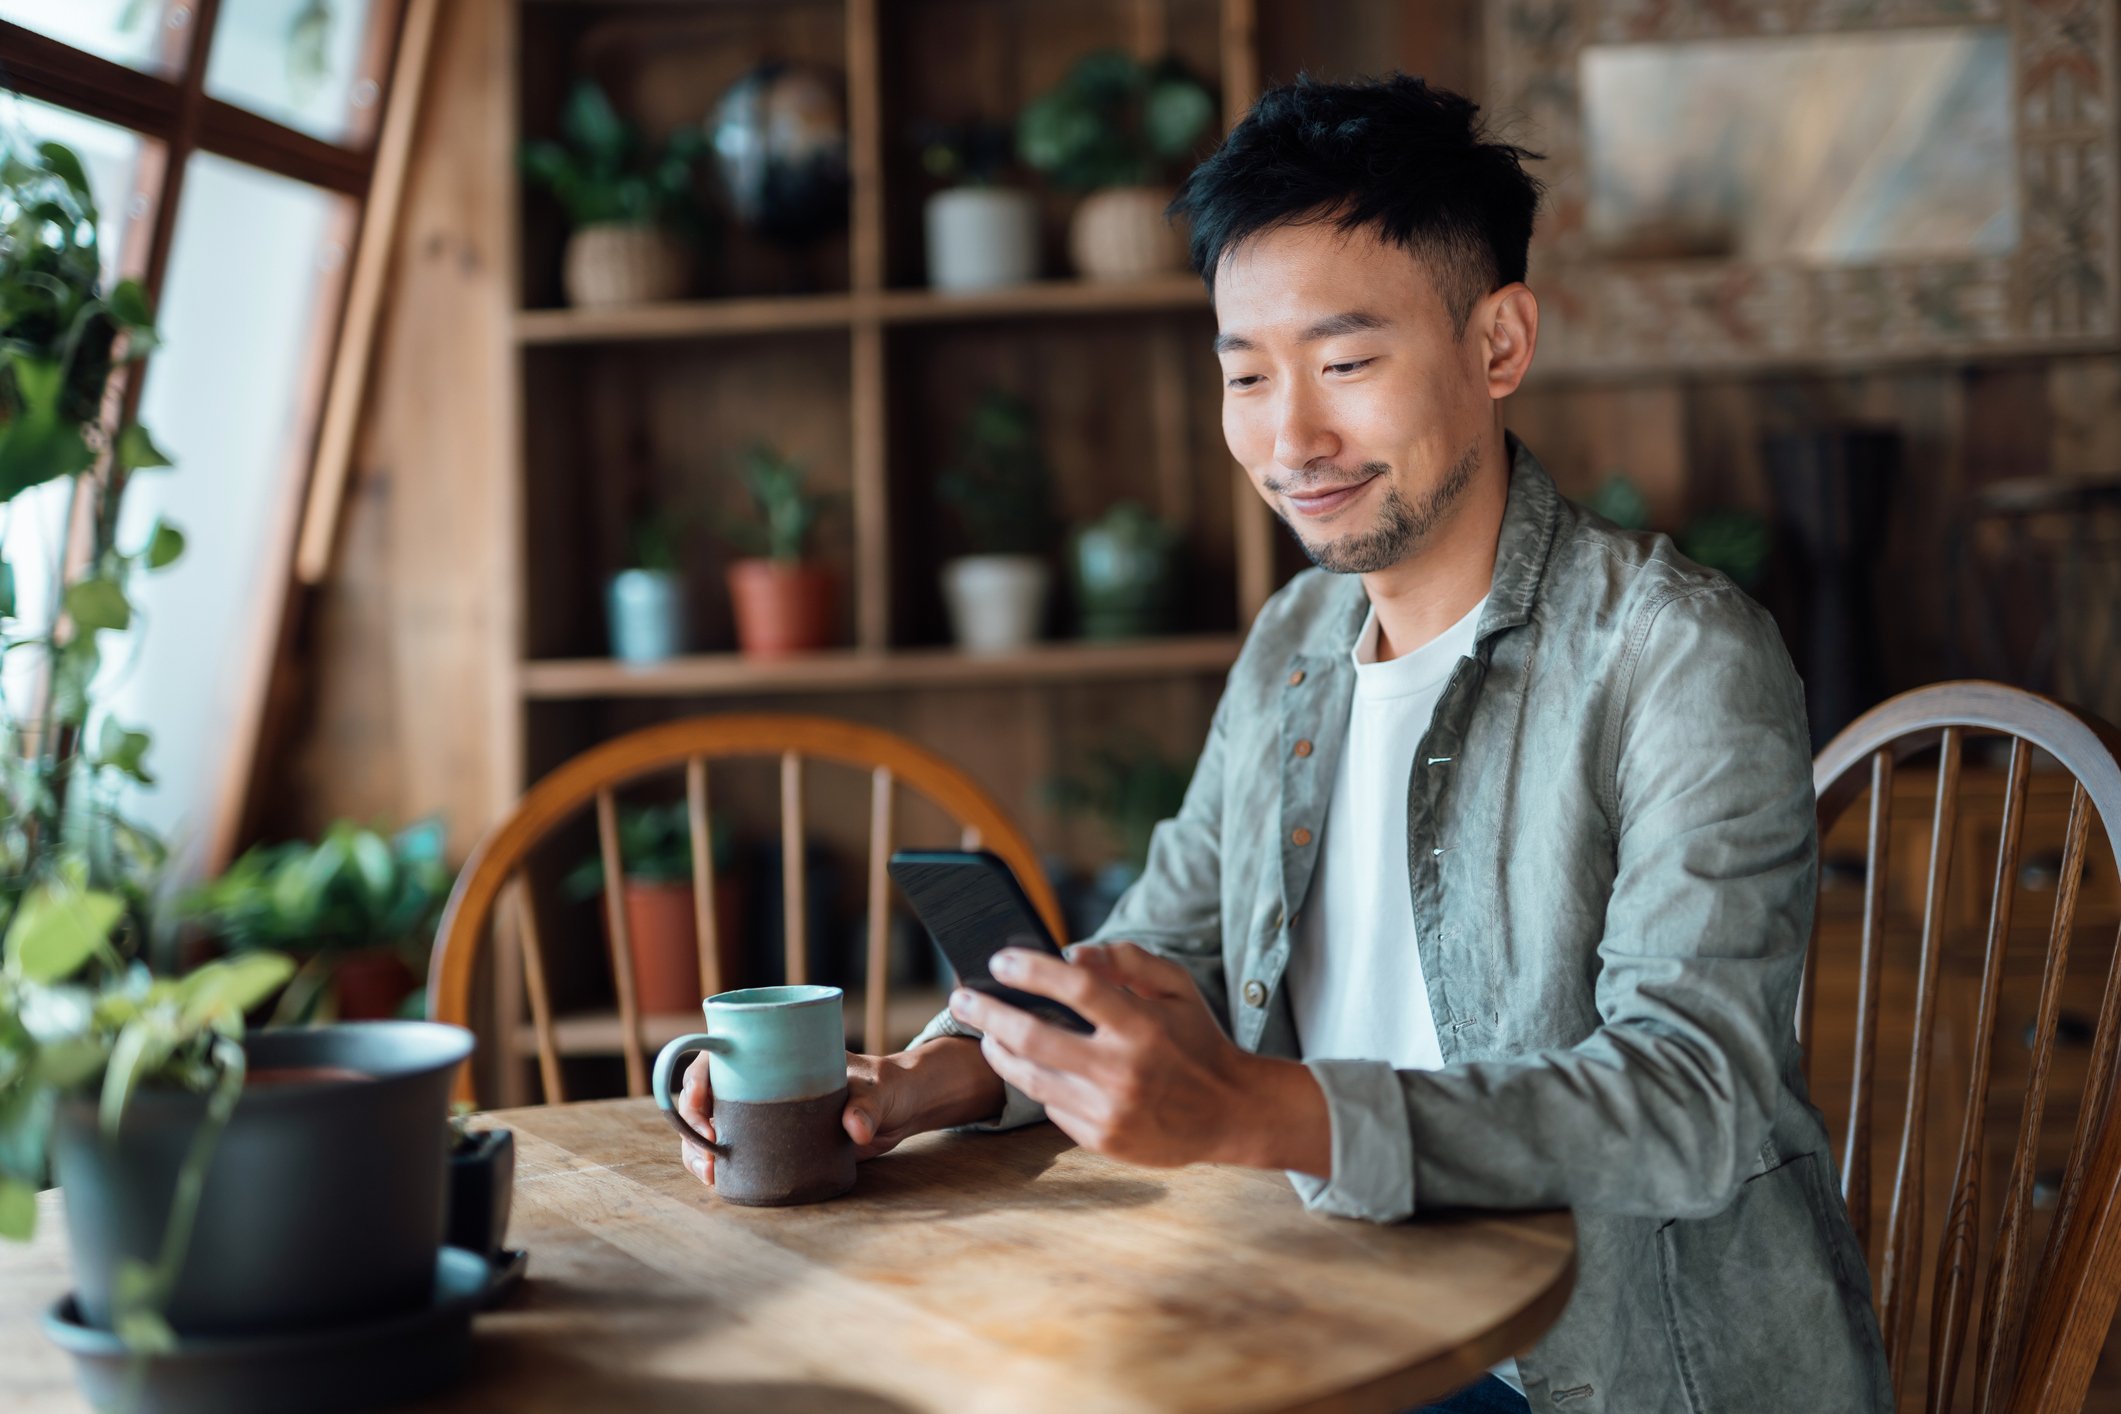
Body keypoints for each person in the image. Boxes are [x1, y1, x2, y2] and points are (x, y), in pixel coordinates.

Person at [680, 73, 1891, 1413]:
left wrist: (1261, 1111)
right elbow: (1168, 946)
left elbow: (1689, 1096)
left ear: (1497, 343)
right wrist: (940, 1075)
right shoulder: (1295, 641)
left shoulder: (1675, 654)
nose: (1289, 436)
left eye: (1347, 362)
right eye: (1245, 373)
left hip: (1606, 1369)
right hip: (1329, 1305)